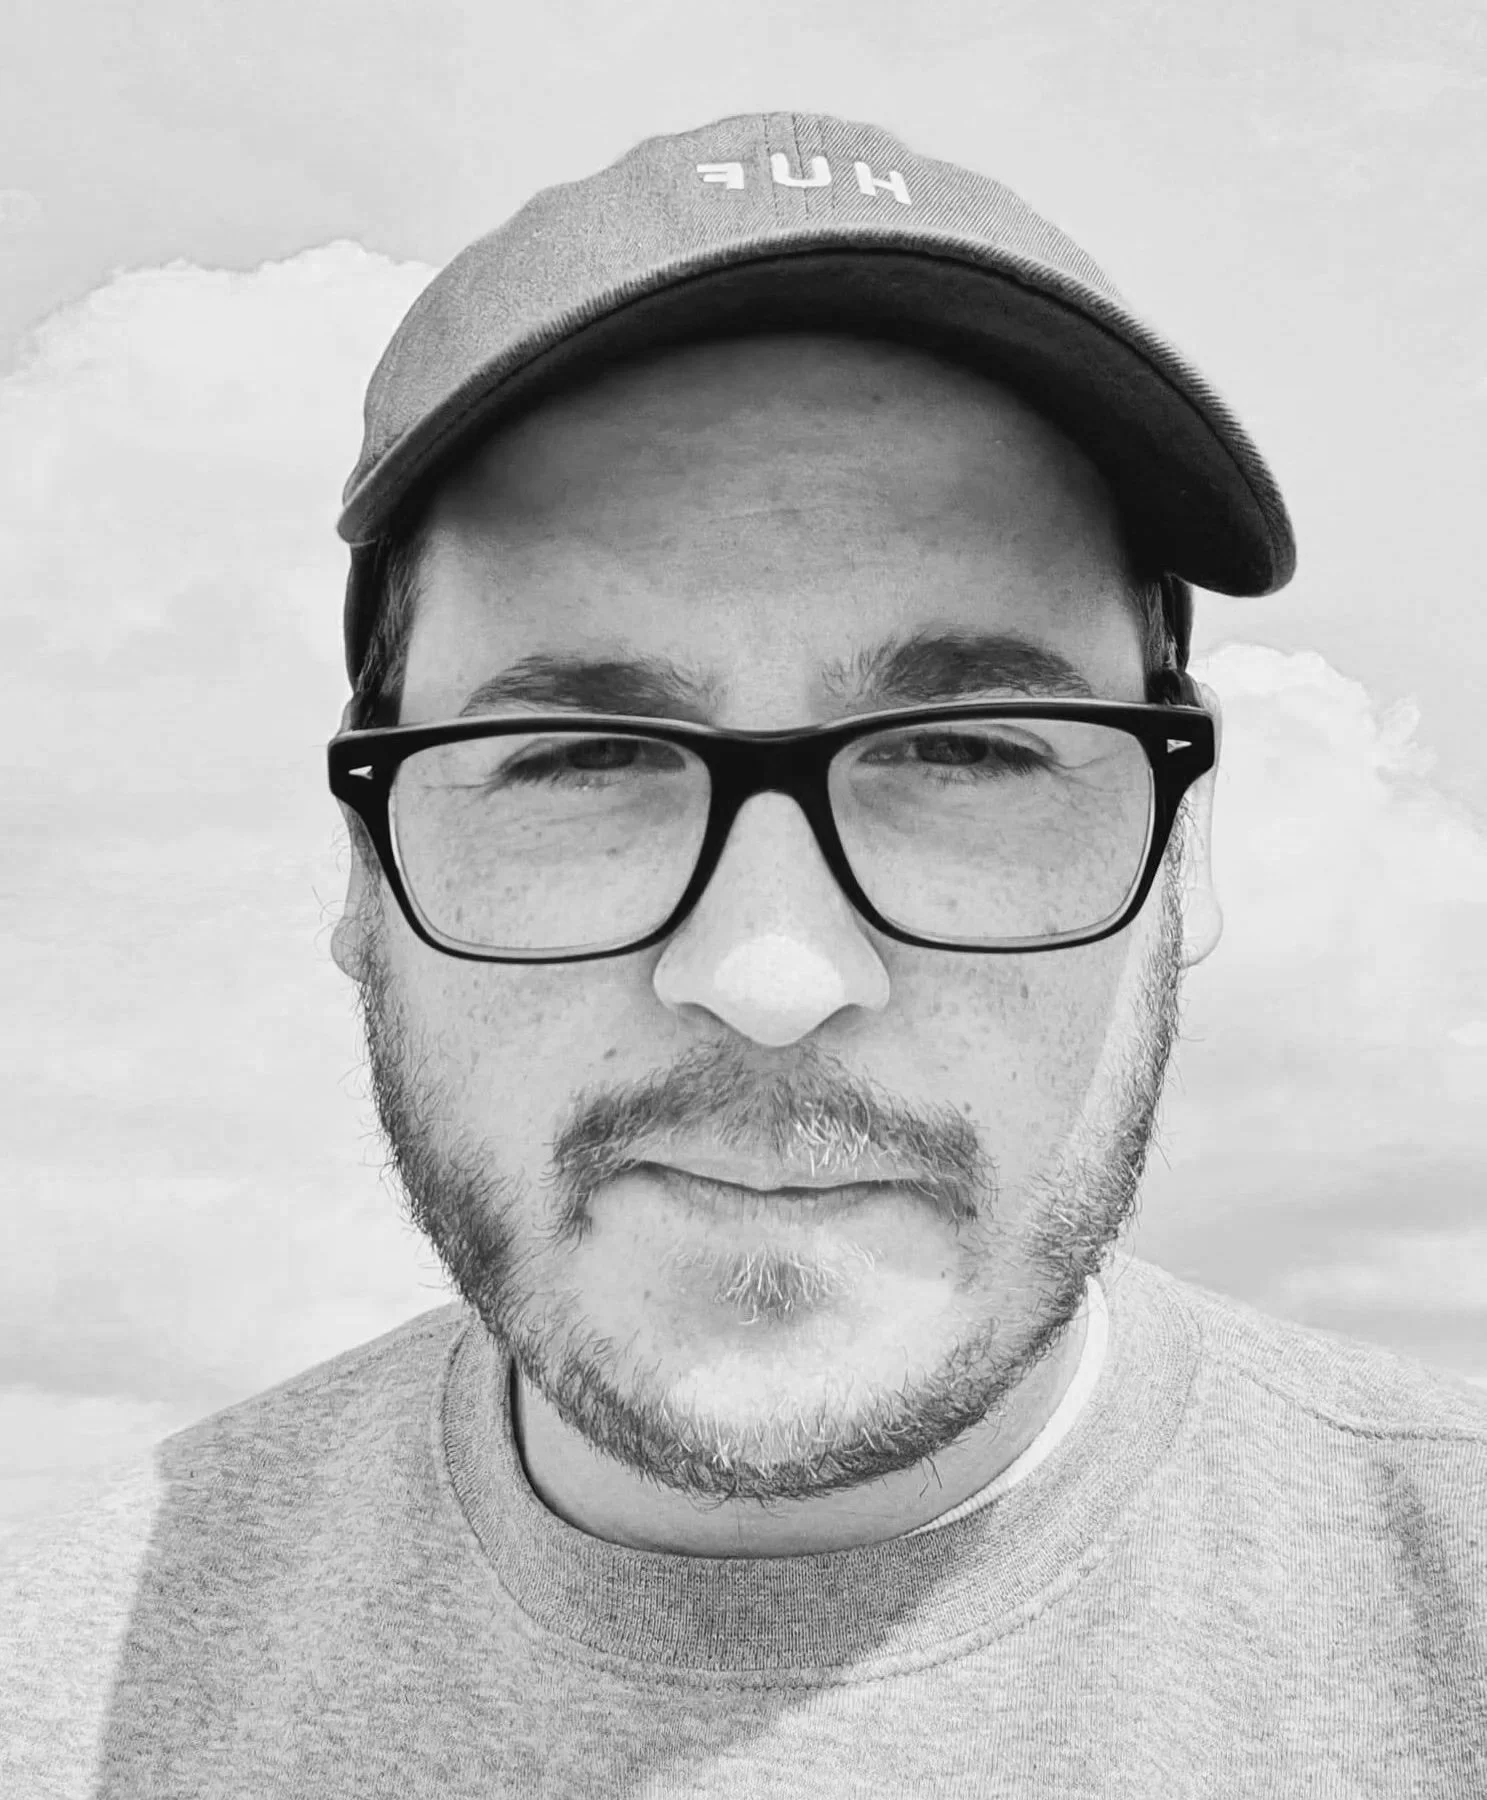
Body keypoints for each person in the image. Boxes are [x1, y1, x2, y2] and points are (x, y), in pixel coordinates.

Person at [4, 111, 1484, 1798]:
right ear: (363, 863)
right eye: (582, 757)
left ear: (1181, 849)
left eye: (969, 750)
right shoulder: (56, 1702)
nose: (771, 975)